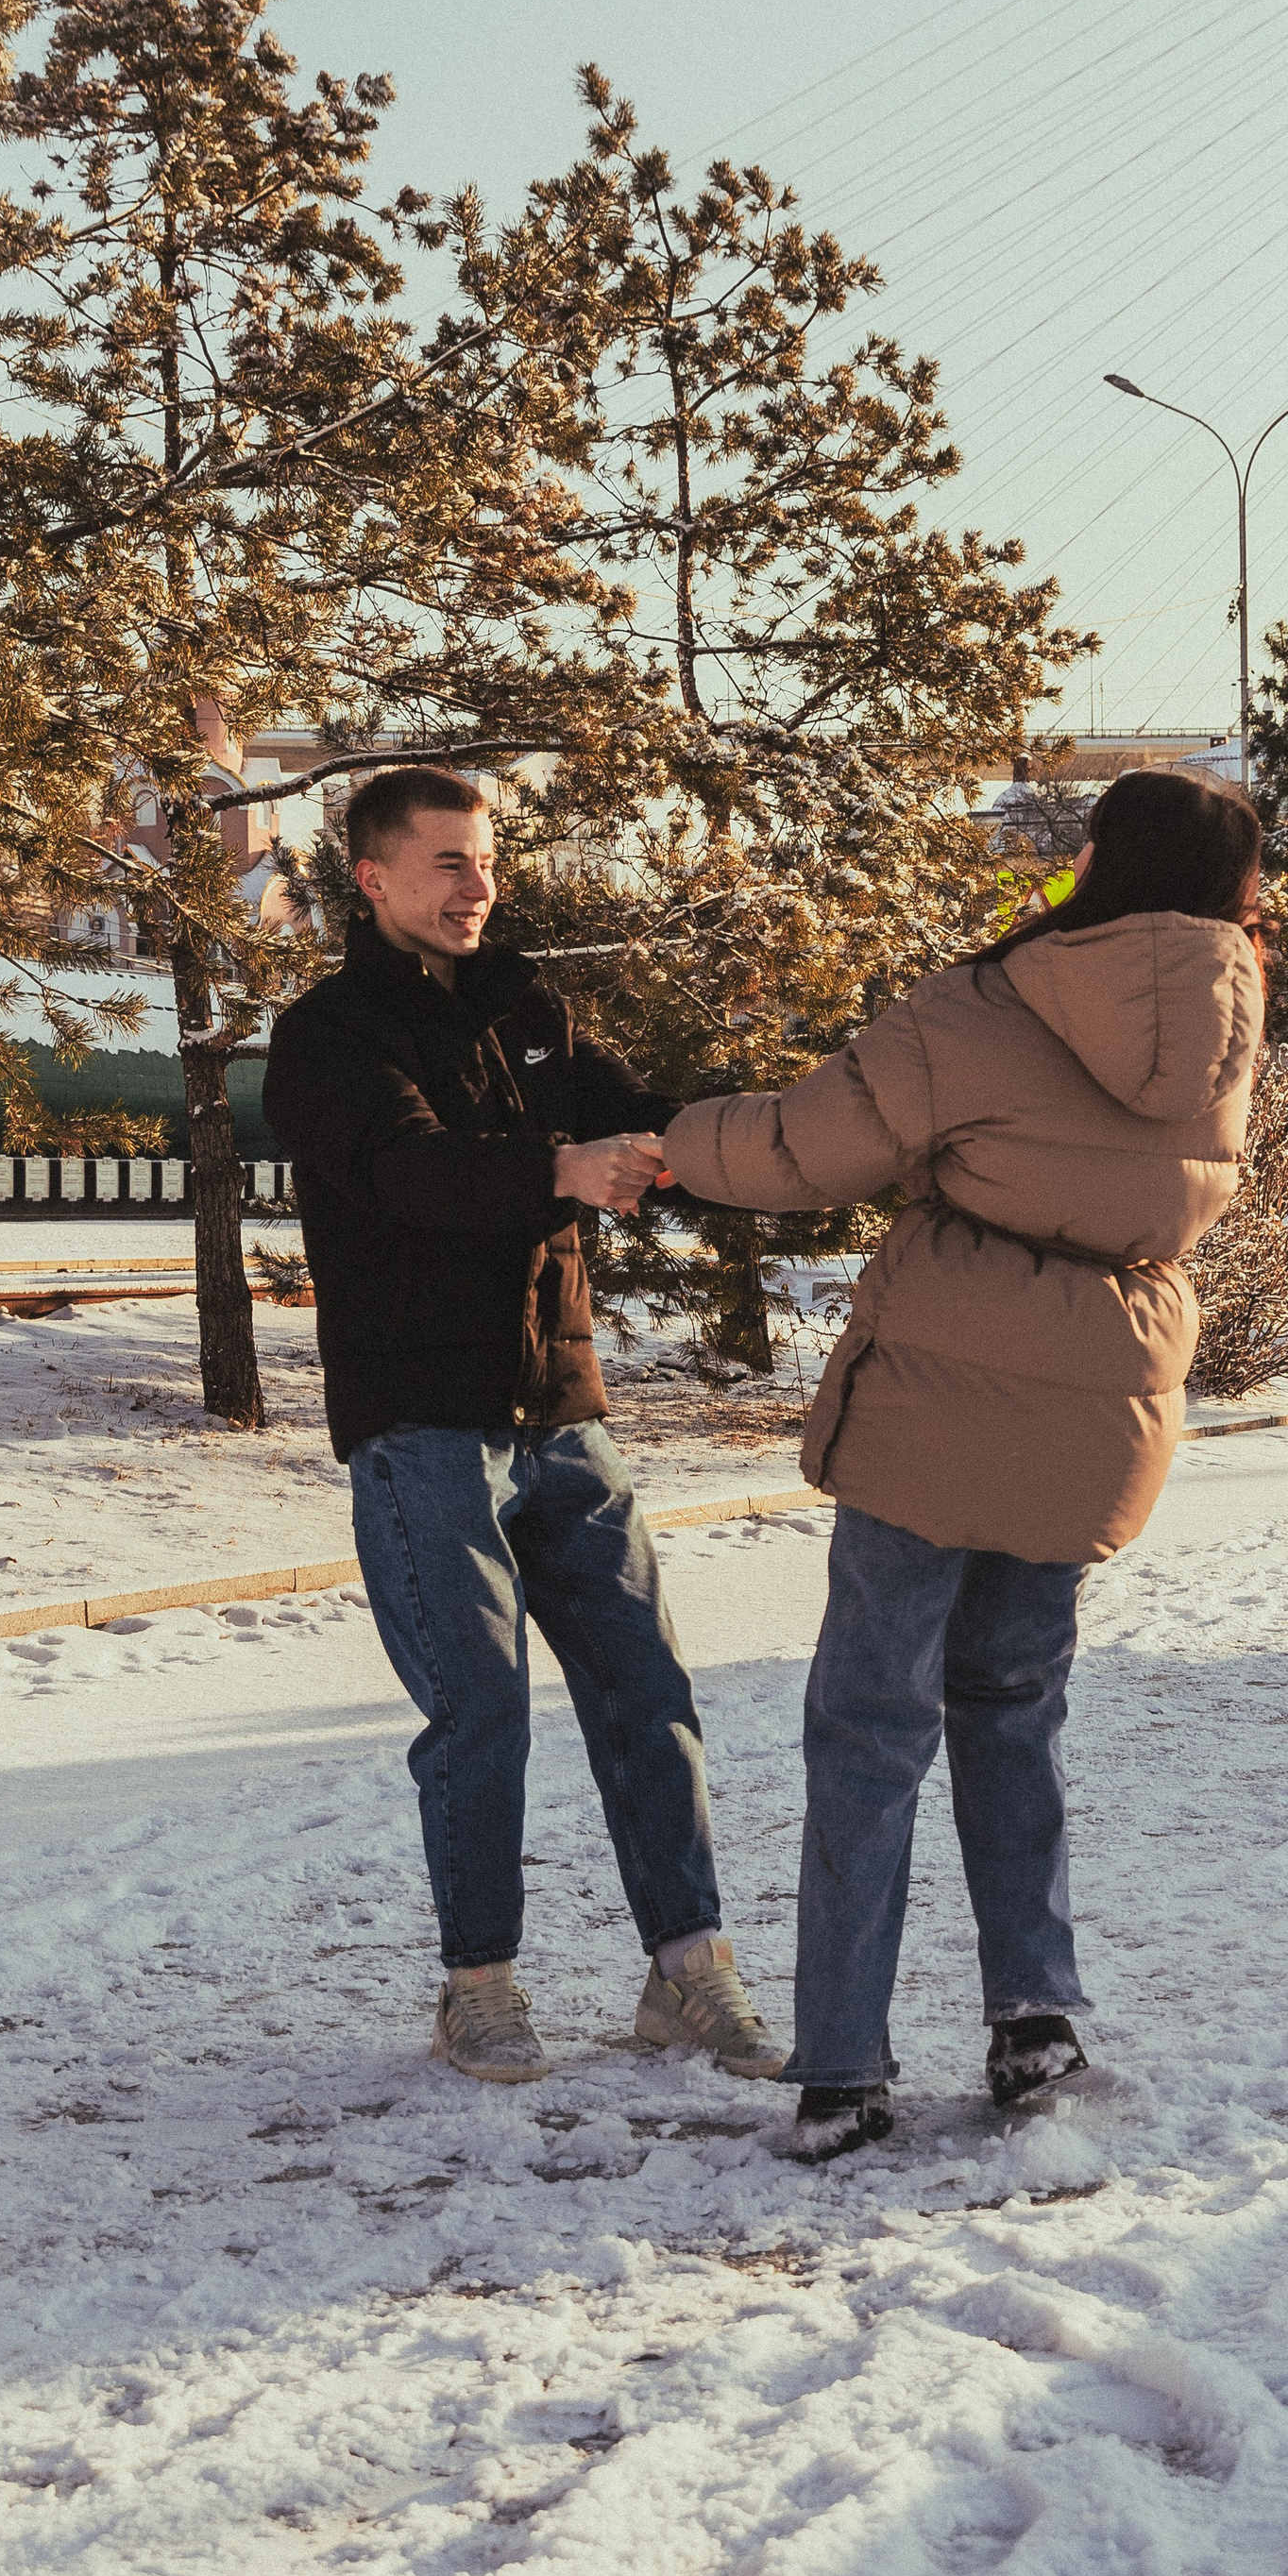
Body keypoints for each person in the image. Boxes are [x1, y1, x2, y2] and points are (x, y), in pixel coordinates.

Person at [653, 771, 1265, 2160]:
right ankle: (1034, 2017)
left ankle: (846, 2065)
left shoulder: (988, 1004)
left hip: (937, 1404)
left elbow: (807, 1146)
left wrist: (665, 1141)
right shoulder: (1230, 1021)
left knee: (871, 1725)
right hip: (1095, 1405)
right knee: (1013, 1712)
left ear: (1098, 858)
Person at [261, 765, 784, 2087]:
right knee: (481, 1709)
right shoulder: (326, 1035)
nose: (477, 885)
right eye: (446, 862)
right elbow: (405, 1170)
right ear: (373, 877)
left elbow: (657, 1123)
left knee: (648, 1689)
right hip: (423, 1423)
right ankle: (479, 1987)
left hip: (561, 1410)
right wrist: (557, 1166)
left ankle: (689, 1974)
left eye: (484, 860)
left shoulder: (529, 1011)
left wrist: (805, 1139)